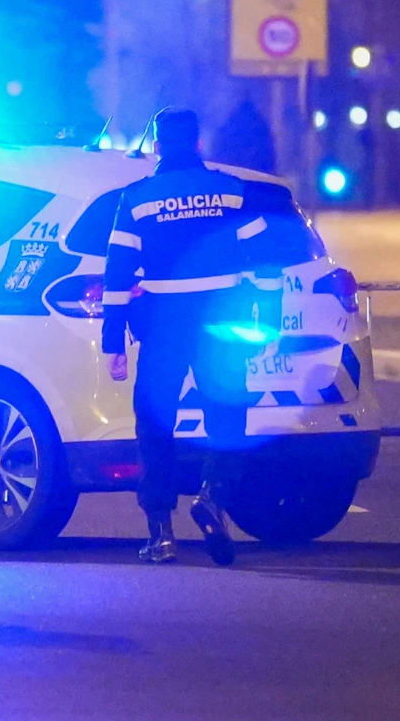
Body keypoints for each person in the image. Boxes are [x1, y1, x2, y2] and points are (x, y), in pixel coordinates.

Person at [102, 108, 280, 567]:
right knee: (228, 413)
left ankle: (161, 533)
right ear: (198, 143)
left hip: (163, 324)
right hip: (222, 320)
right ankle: (213, 497)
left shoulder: (137, 198)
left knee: (156, 424)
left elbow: (117, 273)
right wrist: (270, 316)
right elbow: (267, 258)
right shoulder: (232, 191)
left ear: (159, 145)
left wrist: (112, 341)